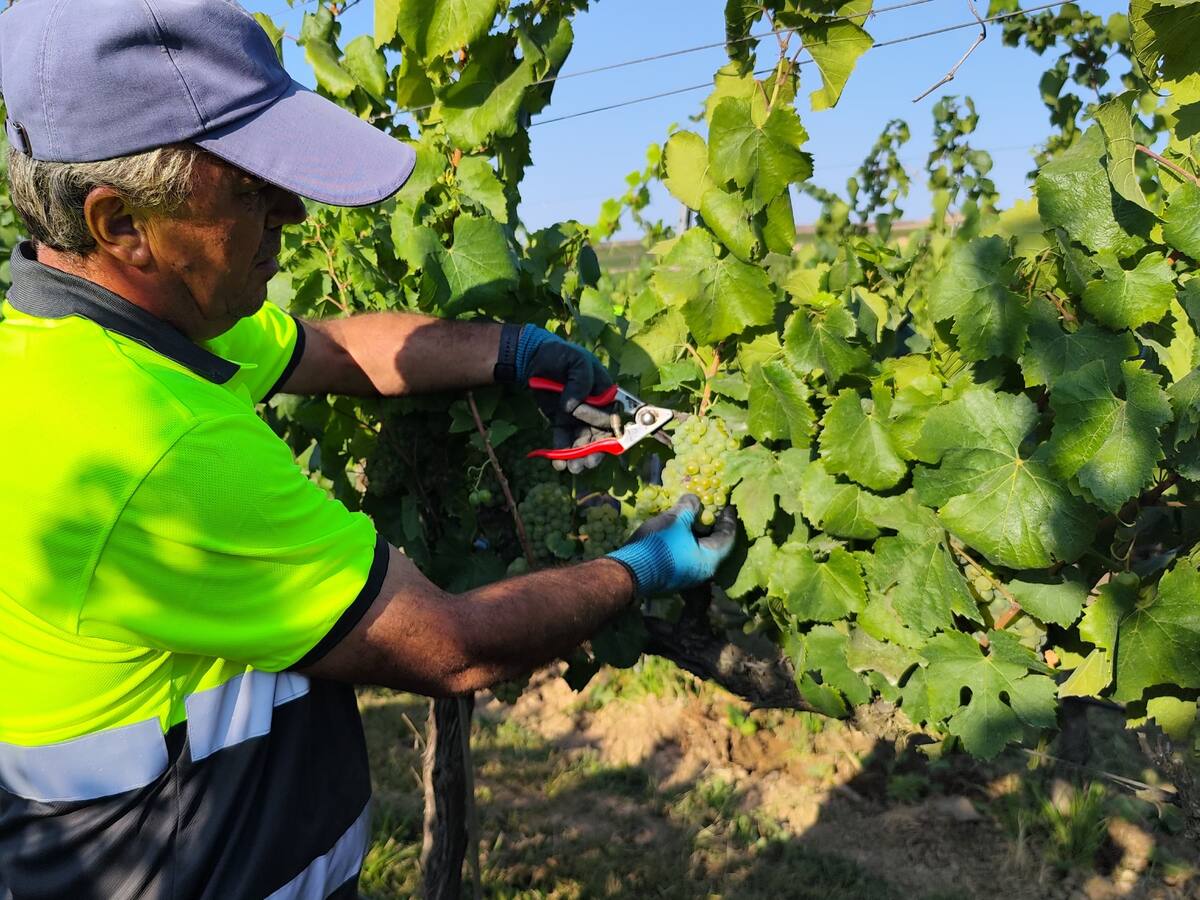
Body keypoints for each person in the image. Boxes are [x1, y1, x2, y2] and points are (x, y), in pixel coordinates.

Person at [0, 1, 736, 897]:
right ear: (120, 224)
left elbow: (337, 351)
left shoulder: (80, 342)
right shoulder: (160, 448)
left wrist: (517, 352)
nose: (292, 210)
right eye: (249, 189)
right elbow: (451, 647)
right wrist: (642, 566)